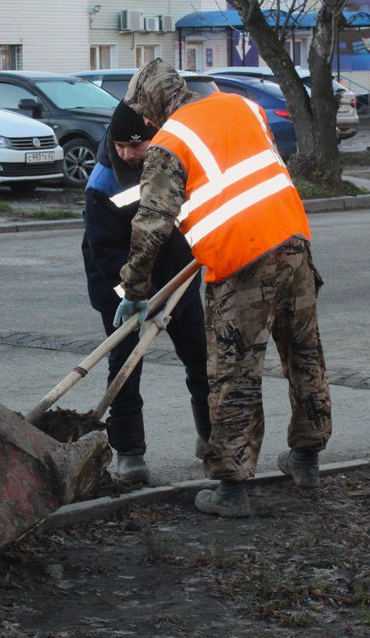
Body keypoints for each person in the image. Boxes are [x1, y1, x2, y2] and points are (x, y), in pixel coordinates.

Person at [114, 59, 330, 517]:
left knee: (234, 374)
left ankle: (231, 488)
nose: (146, 123)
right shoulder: (243, 106)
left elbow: (152, 224)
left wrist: (133, 288)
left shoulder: (168, 142)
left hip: (241, 263)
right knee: (304, 354)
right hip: (293, 241)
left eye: (145, 113)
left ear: (153, 102)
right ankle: (307, 459)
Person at [82, 100, 212, 483]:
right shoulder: (102, 184)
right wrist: (133, 295)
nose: (129, 154)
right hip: (119, 287)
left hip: (177, 277)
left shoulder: (174, 165)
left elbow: (190, 223)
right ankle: (129, 453)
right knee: (124, 367)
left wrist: (171, 291)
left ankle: (212, 438)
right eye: (121, 145)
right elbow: (105, 254)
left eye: (137, 146)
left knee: (200, 361)